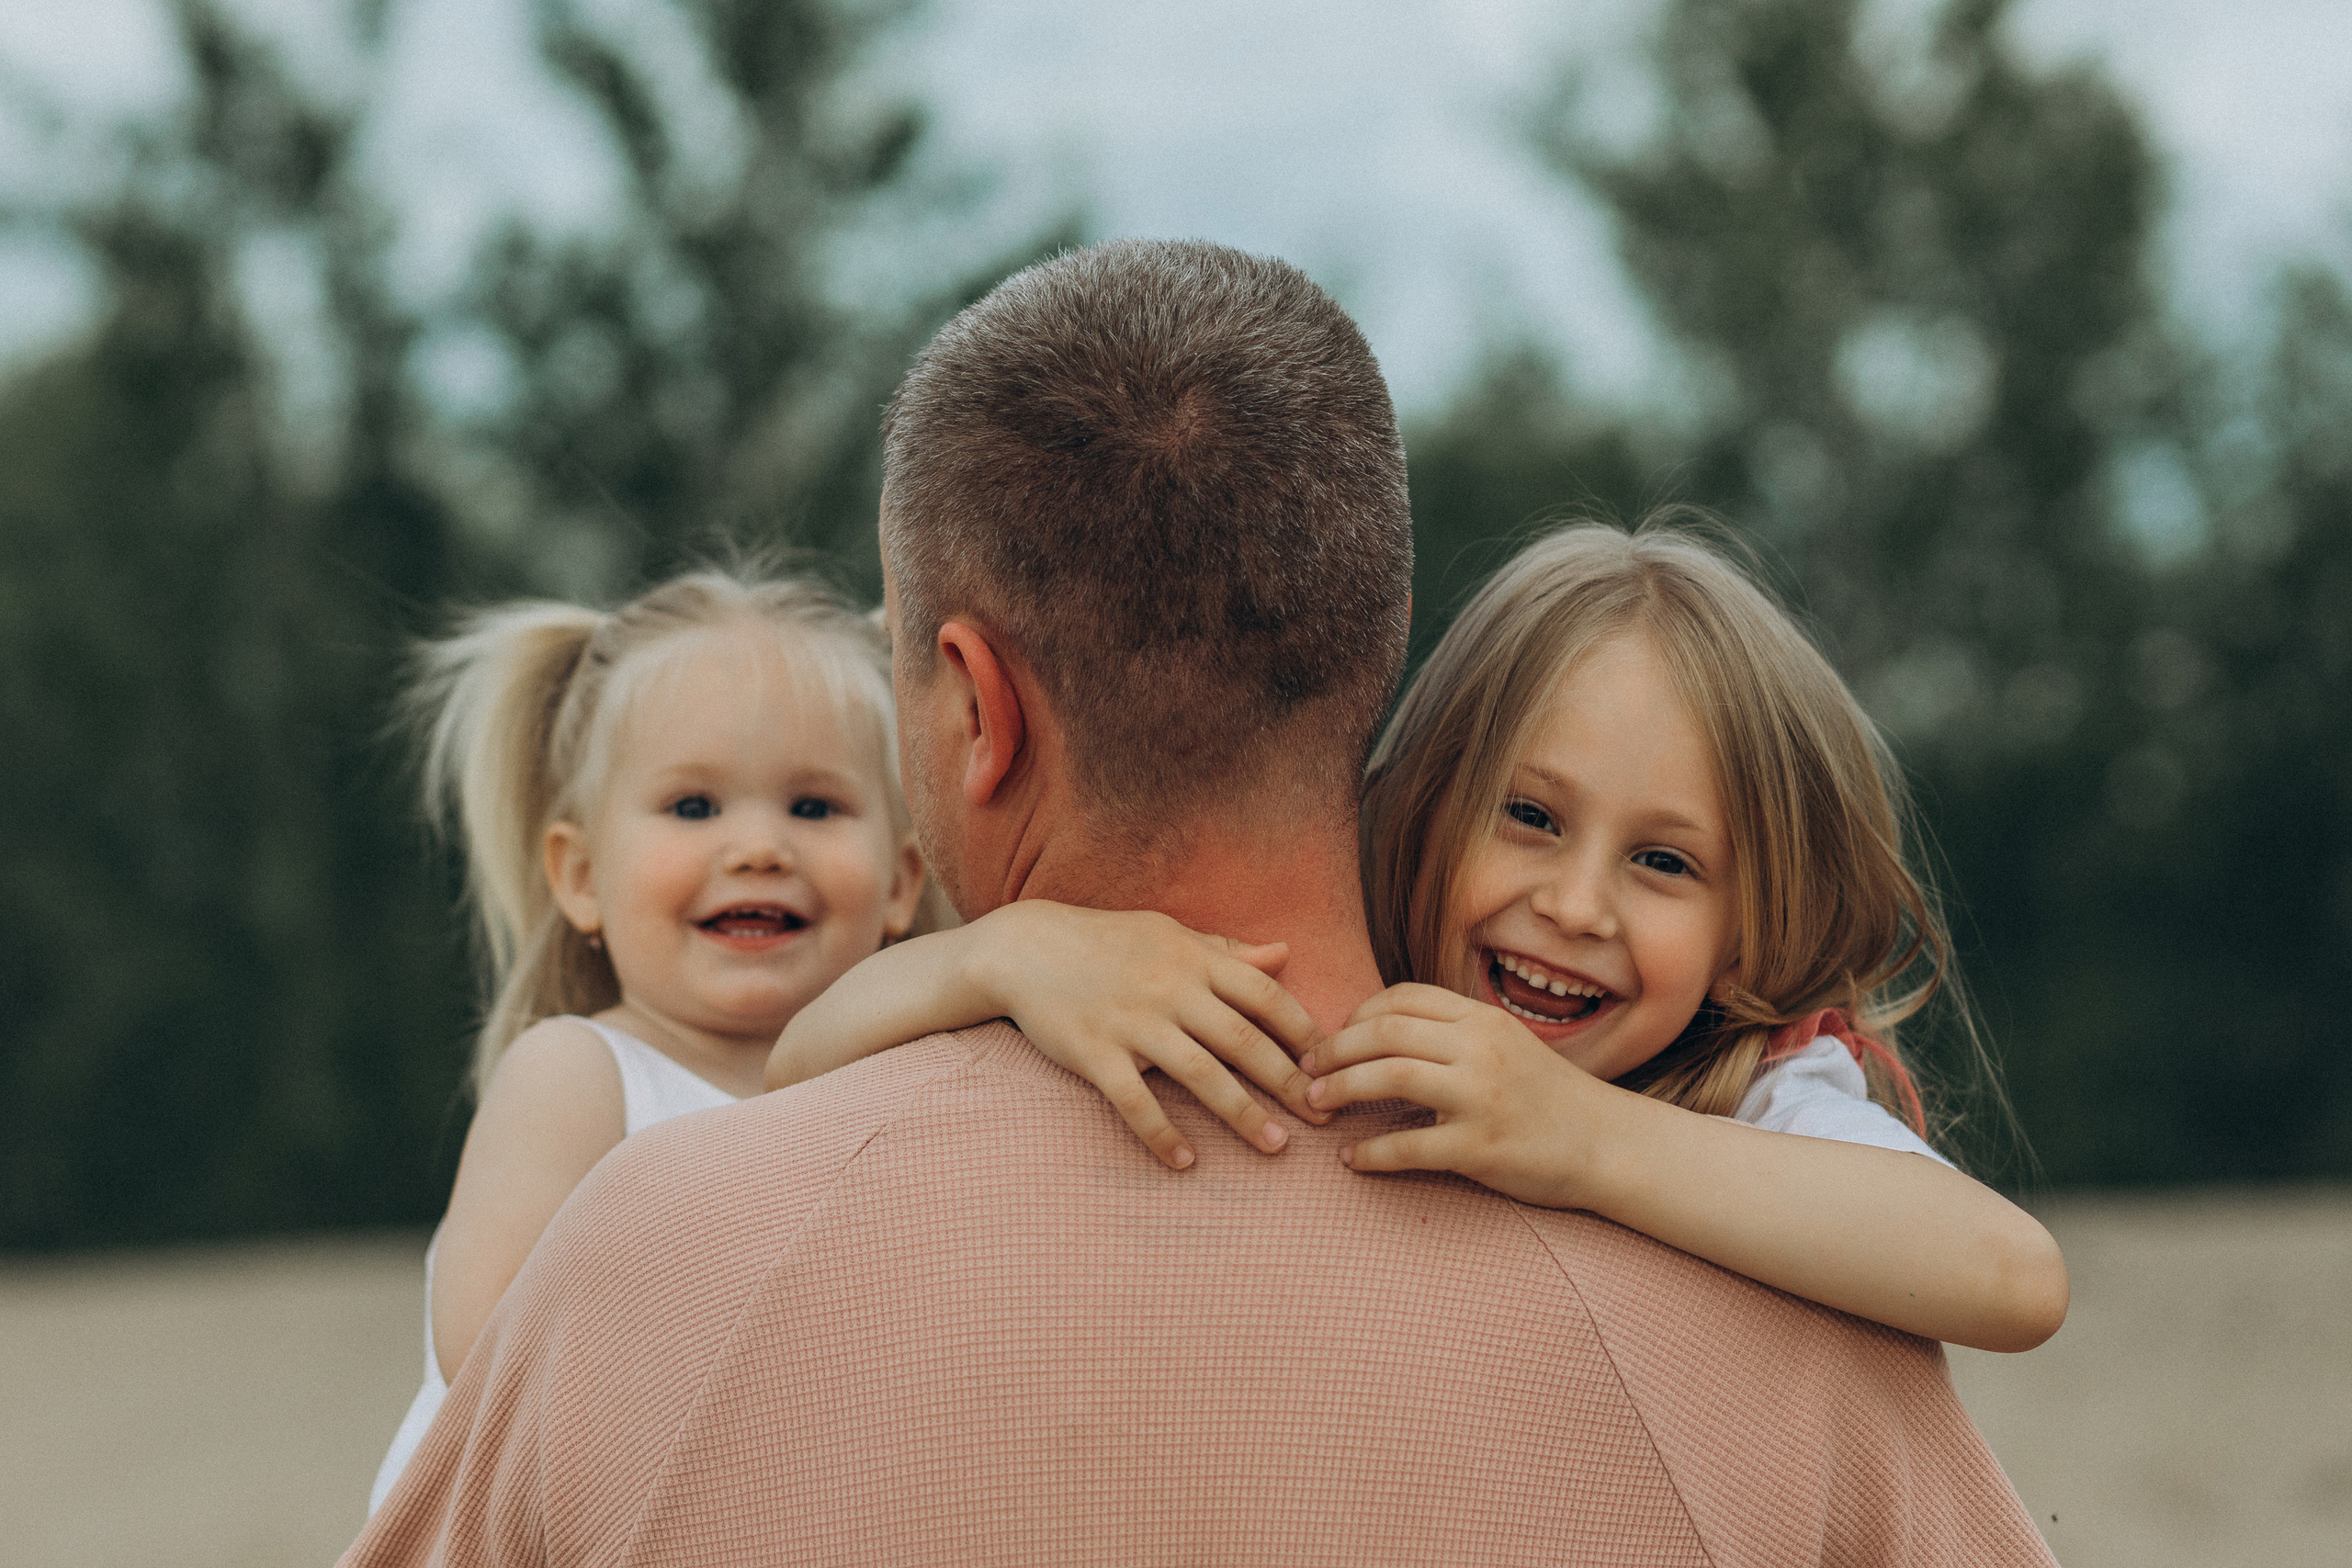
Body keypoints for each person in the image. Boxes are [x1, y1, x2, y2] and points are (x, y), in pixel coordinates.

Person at [348, 240, 2054, 1565]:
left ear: (973, 705)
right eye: (1540, 820)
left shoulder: (633, 1267)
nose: (1578, 905)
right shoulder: (1802, 1329)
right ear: (1370, 678)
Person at [763, 521, 2068, 1354]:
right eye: (1532, 815)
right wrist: (1008, 952)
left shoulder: (1761, 1088)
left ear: (1745, 931)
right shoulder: (1339, 973)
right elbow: (796, 1067)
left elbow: (2012, 1277)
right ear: (1426, 801)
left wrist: (1589, 1137)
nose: (1575, 903)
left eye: (1663, 861)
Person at [368, 570, 944, 1511]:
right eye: (693, 808)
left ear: (899, 882)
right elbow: (492, 1358)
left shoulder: (907, 1089)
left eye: (813, 807)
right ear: (581, 876)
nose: (759, 847)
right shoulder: (579, 1077)